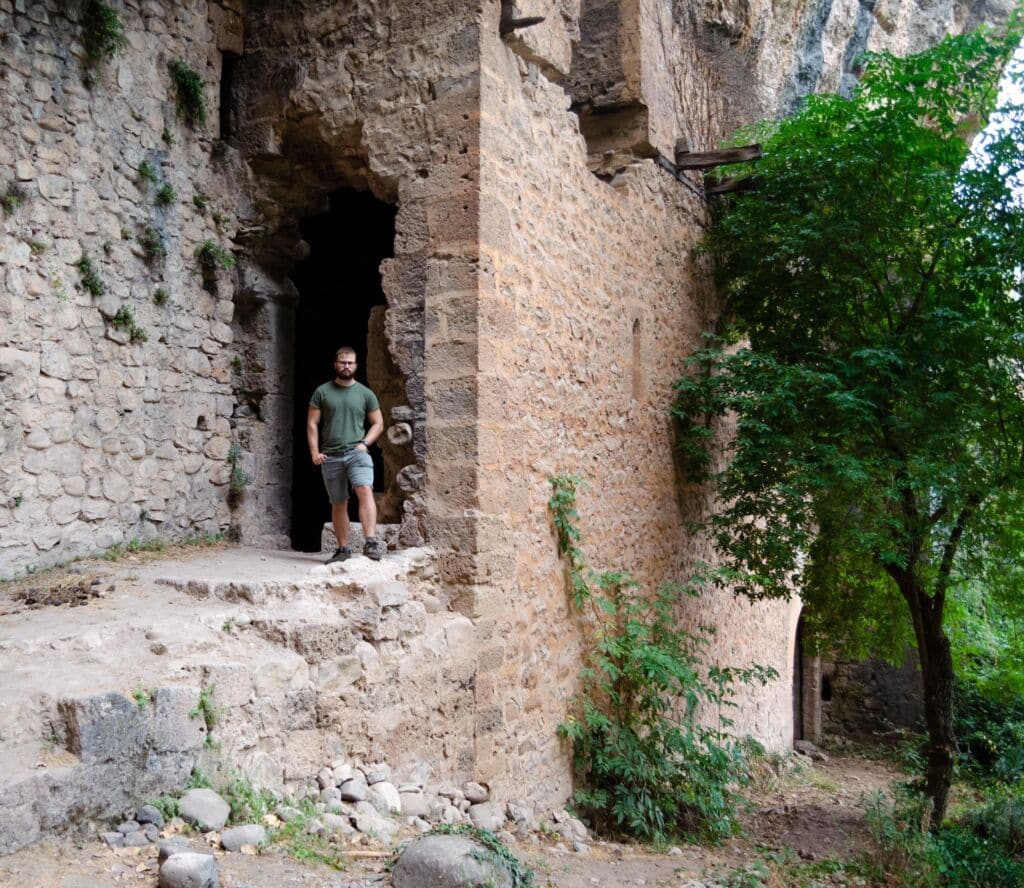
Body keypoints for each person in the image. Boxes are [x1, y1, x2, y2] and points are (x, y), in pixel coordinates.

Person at [308, 346, 386, 562]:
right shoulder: (322, 392)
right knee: (338, 501)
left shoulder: (365, 393)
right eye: (343, 362)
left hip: (356, 452)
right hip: (330, 455)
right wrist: (315, 452)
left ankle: (370, 542)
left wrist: (365, 443)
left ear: (356, 365)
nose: (346, 366)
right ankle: (343, 550)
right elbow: (312, 424)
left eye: (350, 362)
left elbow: (378, 423)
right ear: (335, 364)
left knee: (364, 489)